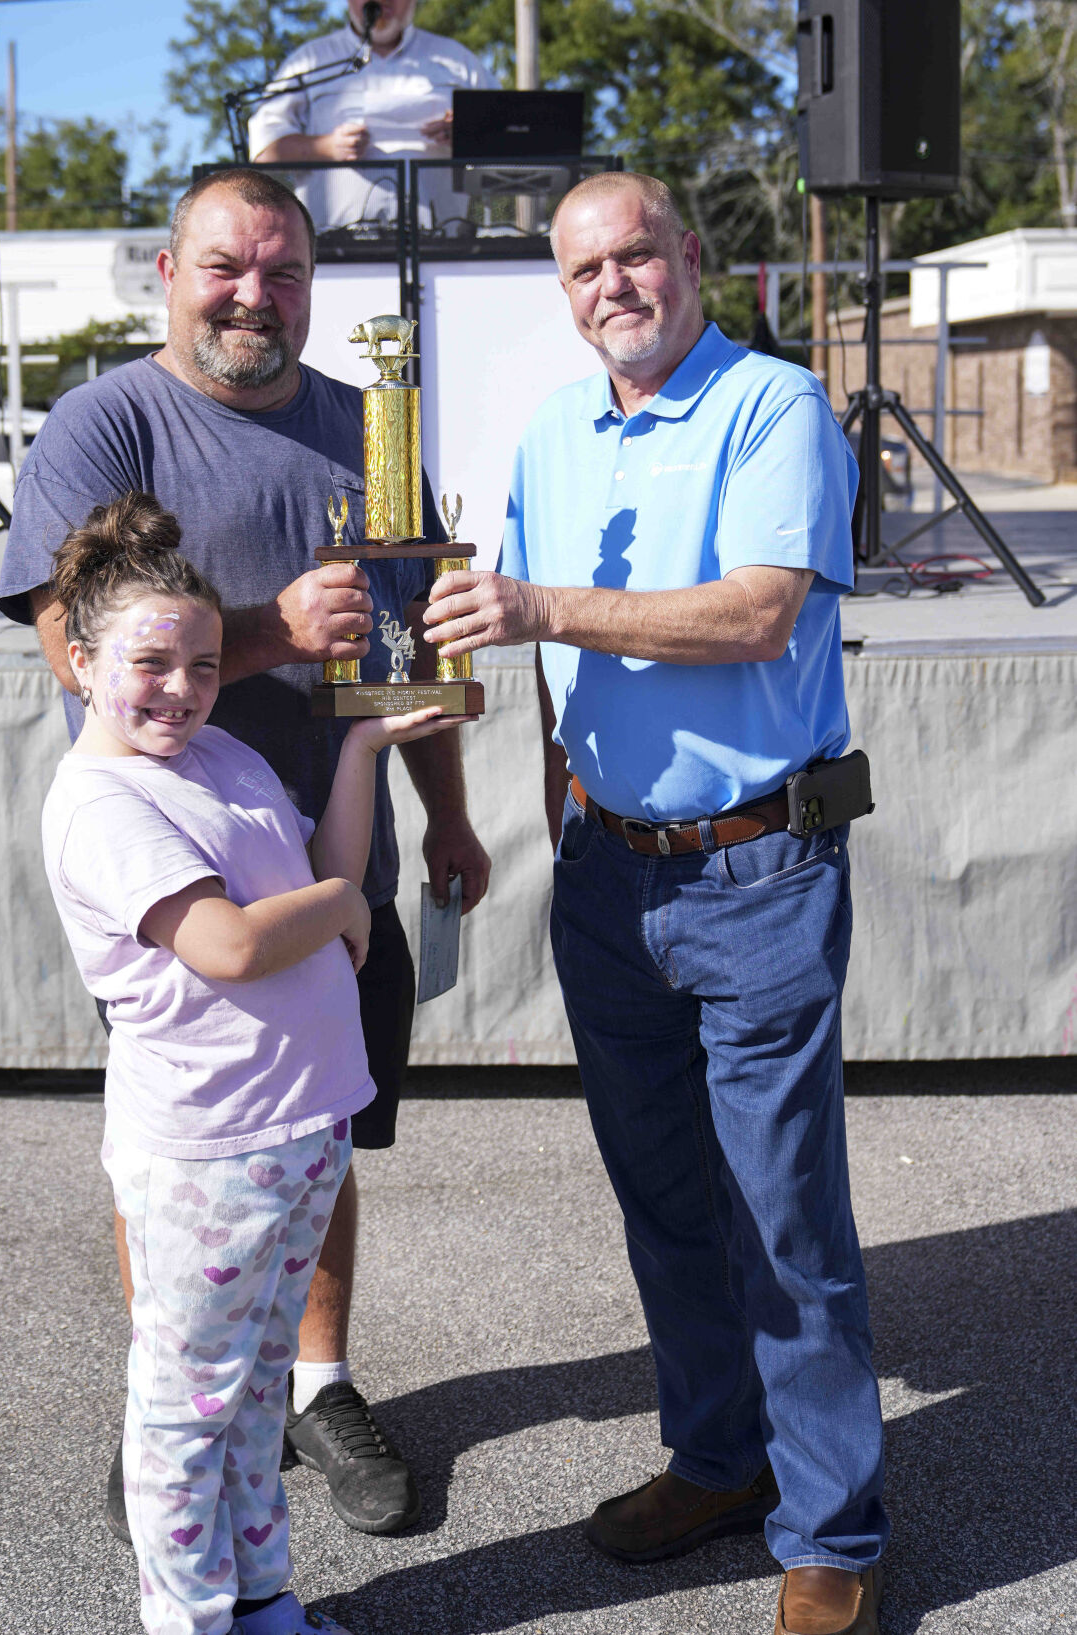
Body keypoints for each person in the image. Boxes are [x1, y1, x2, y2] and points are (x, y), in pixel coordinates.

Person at [423, 170, 888, 1635]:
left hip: (755, 868)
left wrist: (539, 609)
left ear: (690, 258)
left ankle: (832, 1535)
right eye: (582, 271)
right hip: (609, 873)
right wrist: (555, 791)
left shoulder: (771, 406)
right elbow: (544, 660)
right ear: (560, 296)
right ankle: (718, 1457)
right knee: (664, 1204)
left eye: (635, 255)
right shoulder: (554, 431)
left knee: (777, 1217)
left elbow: (754, 608)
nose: (611, 284)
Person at [0, 166, 491, 1541]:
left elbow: (411, 640)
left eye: (280, 273)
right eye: (225, 266)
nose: (251, 296)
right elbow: (67, 641)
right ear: (167, 269)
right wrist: (269, 633)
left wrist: (445, 807)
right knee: (176, 1153)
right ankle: (176, 1388)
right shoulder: (108, 423)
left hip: (339, 872)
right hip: (181, 887)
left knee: (322, 1135)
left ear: (310, 284)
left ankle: (313, 1381)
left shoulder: (363, 425)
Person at [43, 492, 465, 1635]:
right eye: (150, 662)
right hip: (209, 1150)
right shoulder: (100, 800)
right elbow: (230, 941)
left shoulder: (216, 750)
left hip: (297, 1127)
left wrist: (366, 741)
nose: (180, 688)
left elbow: (317, 864)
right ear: (80, 662)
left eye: (203, 664)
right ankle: (191, 1618)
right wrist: (339, 908)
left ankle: (263, 1597)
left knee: (252, 1401)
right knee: (185, 1408)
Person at [249, 0, 495, 230]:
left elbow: (513, 137)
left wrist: (468, 134)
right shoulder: (311, 61)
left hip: (441, 251)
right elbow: (264, 148)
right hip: (335, 255)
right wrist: (326, 147)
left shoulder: (458, 61)